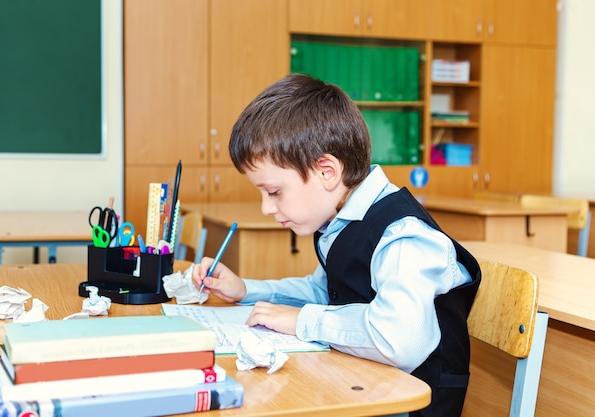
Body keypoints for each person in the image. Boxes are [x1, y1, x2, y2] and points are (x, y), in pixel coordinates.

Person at [192, 73, 481, 417]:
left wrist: (303, 321)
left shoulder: (402, 236)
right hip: (363, 386)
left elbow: (398, 340)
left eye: (274, 192)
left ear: (327, 171)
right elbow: (324, 291)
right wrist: (246, 290)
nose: (266, 208)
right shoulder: (339, 219)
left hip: (409, 406)